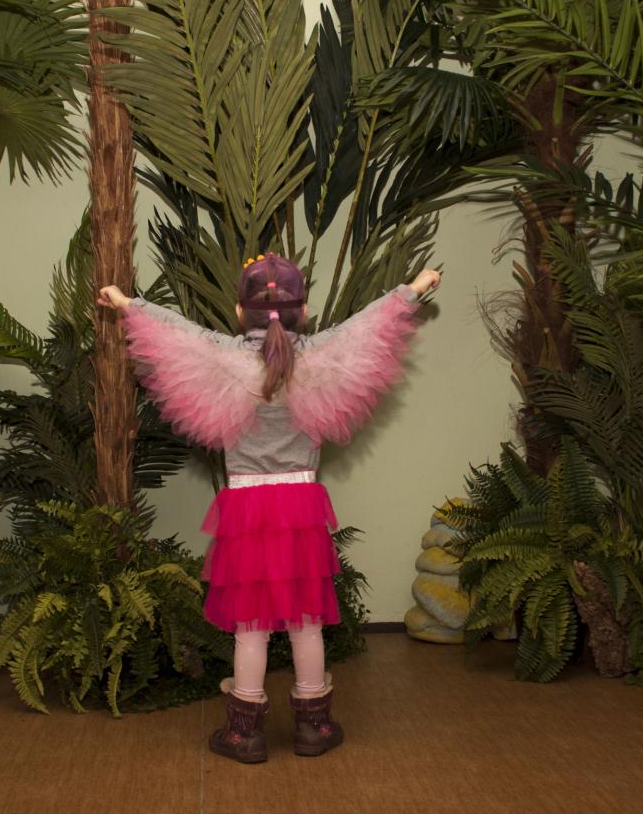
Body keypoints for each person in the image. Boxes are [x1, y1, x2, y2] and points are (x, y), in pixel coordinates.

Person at [97, 254, 441, 764]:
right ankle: (314, 726)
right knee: (306, 620)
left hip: (247, 506)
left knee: (251, 624)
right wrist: (413, 286)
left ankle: (245, 733)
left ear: (241, 312)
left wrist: (128, 303)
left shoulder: (223, 356)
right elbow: (366, 325)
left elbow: (178, 333)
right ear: (304, 310)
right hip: (300, 503)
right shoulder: (321, 355)